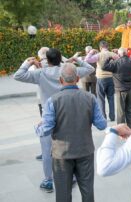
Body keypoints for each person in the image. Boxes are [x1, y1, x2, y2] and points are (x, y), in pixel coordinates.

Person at [14, 48, 94, 193]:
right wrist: (77, 60)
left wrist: (28, 62)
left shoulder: (40, 73)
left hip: (48, 114)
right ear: (60, 59)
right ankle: (71, 177)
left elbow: (18, 75)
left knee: (47, 151)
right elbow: (90, 68)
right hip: (68, 113)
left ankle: (48, 180)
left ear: (47, 60)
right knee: (69, 145)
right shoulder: (69, 71)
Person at [36, 63, 107, 202]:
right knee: (88, 193)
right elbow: (102, 124)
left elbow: (45, 130)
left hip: (62, 154)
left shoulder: (52, 101)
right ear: (78, 78)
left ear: (60, 80)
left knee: (63, 194)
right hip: (85, 151)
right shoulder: (90, 98)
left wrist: (37, 127)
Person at [102, 48, 131, 130]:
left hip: (120, 89)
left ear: (119, 54)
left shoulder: (115, 63)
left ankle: (121, 129)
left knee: (120, 111)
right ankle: (130, 128)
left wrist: (109, 58)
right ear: (126, 53)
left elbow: (104, 67)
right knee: (130, 110)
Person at [85, 41, 118, 122]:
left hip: (100, 78)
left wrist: (91, 52)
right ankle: (112, 116)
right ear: (108, 47)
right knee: (111, 98)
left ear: (100, 47)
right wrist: (117, 51)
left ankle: (103, 116)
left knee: (101, 98)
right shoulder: (112, 54)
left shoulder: (98, 55)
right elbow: (120, 58)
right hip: (110, 77)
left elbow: (87, 60)